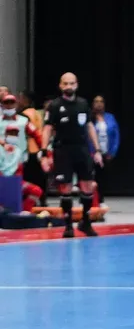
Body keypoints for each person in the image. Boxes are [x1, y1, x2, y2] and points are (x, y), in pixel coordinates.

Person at [40, 73, 102, 238]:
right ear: (60, 86)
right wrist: (44, 152)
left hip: (81, 149)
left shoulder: (83, 103)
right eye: (65, 83)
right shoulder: (54, 106)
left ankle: (85, 221)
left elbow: (89, 126)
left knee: (88, 186)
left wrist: (97, 150)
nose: (69, 86)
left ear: (77, 84)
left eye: (72, 83)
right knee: (65, 188)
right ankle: (68, 225)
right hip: (63, 150)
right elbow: (47, 129)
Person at [0, 93, 43, 212]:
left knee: (26, 190)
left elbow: (37, 135)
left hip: (19, 163)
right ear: (2, 105)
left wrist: (43, 152)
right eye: (6, 103)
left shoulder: (23, 121)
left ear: (16, 104)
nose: (9, 106)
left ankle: (22, 213)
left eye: (11, 103)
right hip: (1, 164)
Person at [89, 95, 119, 203]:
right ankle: (89, 200)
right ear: (93, 104)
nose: (99, 104)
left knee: (102, 178)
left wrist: (112, 152)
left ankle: (100, 199)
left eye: (101, 101)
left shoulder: (110, 117)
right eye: (96, 101)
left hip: (106, 153)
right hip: (91, 153)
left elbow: (116, 136)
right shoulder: (89, 118)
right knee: (90, 178)